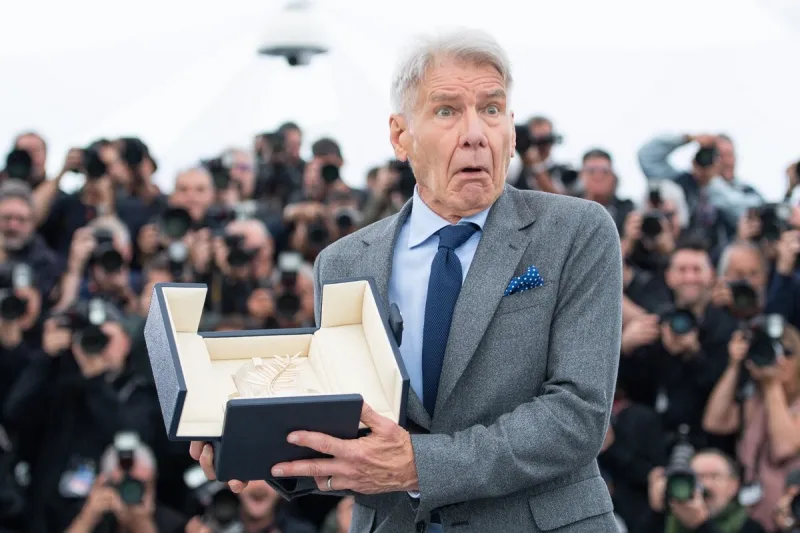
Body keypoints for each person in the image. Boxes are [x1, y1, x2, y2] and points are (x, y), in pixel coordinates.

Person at [190, 28, 623, 532]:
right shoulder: (343, 263)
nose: (476, 133)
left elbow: (576, 416)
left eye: (491, 108)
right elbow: (353, 434)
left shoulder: (577, 231)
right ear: (400, 136)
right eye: (447, 110)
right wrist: (260, 449)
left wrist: (419, 464)